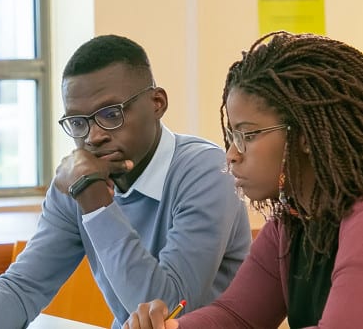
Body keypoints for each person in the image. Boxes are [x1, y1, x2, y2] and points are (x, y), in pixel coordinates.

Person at [0, 34, 251, 329]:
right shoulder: (79, 180)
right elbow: (22, 289)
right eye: (78, 122)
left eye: (110, 114)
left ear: (157, 103)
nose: (93, 136)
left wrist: (95, 203)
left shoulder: (207, 171)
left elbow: (167, 313)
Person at [123, 31, 363, 329]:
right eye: (232, 137)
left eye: (247, 135)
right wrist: (173, 328)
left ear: (304, 135)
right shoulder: (293, 222)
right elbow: (237, 316)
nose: (231, 155)